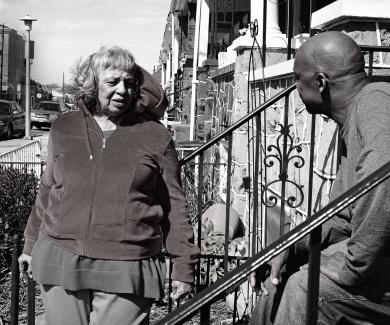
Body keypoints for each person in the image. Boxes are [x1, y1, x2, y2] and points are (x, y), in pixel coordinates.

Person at [18, 46, 199, 325]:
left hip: (127, 266)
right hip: (60, 259)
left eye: (129, 82)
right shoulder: (64, 127)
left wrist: (183, 266)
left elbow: (174, 206)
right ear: (92, 84)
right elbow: (48, 189)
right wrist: (30, 245)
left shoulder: (155, 136)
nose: (122, 90)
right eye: (112, 82)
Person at [249, 31, 390, 324]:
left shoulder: (376, 102)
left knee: (305, 288)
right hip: (376, 265)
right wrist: (293, 246)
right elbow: (342, 218)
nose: (295, 88)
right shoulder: (350, 123)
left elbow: (383, 181)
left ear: (321, 82)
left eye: (298, 78)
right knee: (276, 276)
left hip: (380, 268)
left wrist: (352, 267)